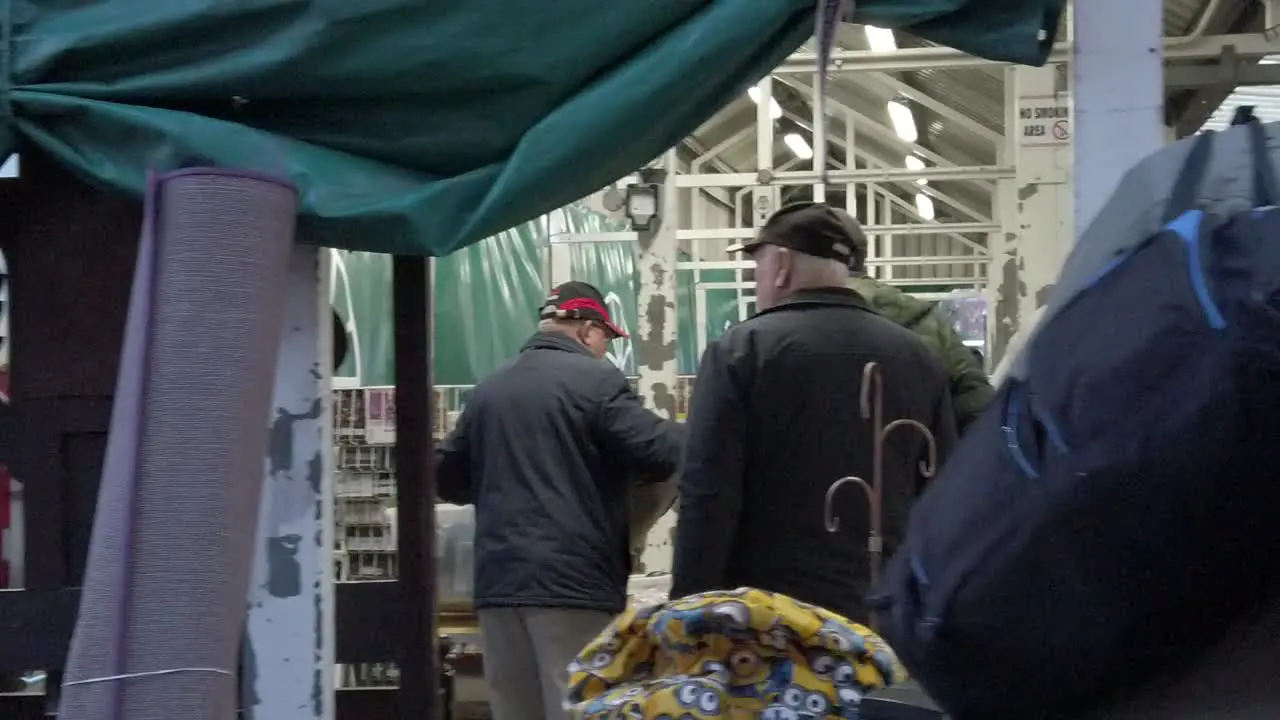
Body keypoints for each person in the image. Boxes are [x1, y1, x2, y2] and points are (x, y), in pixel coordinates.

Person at [669, 201, 957, 623]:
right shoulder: (916, 357)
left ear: (782, 266)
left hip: (768, 621)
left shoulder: (742, 351)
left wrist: (688, 612)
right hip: (881, 612)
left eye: (759, 268)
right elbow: (943, 491)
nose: (758, 282)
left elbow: (708, 494)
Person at [435, 280, 683, 720]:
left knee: (515, 709)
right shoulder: (596, 381)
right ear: (588, 329)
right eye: (606, 338)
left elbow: (445, 477)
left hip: (499, 585)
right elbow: (661, 453)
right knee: (578, 708)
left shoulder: (489, 389)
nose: (605, 349)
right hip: (573, 586)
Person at [841, 210, 993, 432]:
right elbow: (977, 406)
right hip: (918, 457)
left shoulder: (790, 324)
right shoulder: (926, 320)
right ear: (861, 258)